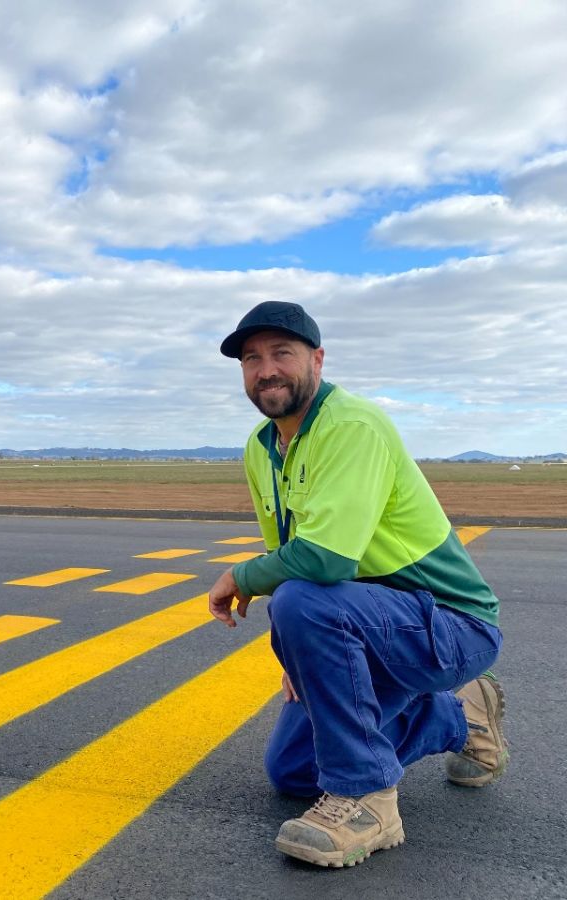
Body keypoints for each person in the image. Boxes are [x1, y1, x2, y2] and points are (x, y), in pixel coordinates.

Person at [207, 300, 508, 868]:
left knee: (300, 599)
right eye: (251, 358)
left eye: (281, 353)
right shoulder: (262, 447)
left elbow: (322, 563)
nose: (265, 368)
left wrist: (239, 577)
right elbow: (288, 553)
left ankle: (369, 800)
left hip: (449, 624)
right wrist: (301, 661)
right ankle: (460, 716)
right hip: (368, 624)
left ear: (317, 360)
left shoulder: (350, 425)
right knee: (293, 772)